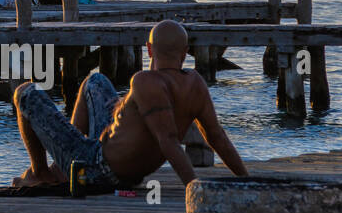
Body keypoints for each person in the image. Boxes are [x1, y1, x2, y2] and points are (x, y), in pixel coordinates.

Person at [12, 20, 249, 189]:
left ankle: (41, 172)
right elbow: (217, 137)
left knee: (25, 92)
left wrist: (194, 188)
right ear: (185, 53)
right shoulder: (195, 83)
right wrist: (247, 179)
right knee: (95, 80)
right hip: (117, 163)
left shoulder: (145, 81)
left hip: (98, 169)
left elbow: (168, 141)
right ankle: (62, 168)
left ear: (148, 50)